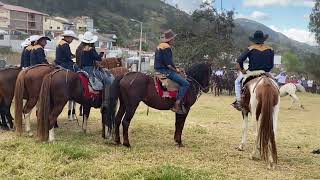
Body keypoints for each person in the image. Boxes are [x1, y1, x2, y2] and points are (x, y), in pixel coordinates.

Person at [232, 30, 275, 111]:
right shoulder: (270, 49)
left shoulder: (250, 48)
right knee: (275, 84)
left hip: (252, 72)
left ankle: (238, 101)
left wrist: (243, 70)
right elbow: (271, 64)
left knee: (237, 82)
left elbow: (239, 60)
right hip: (266, 72)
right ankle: (276, 99)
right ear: (263, 39)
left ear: (254, 40)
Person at [154, 29, 190, 114]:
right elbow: (169, 64)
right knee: (185, 83)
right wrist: (176, 70)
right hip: (165, 71)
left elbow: (167, 62)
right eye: (173, 39)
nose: (174, 40)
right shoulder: (167, 47)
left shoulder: (160, 46)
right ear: (170, 39)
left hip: (158, 69)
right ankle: (177, 104)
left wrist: (175, 67)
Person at [78, 31, 114, 107]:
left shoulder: (81, 48)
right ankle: (106, 101)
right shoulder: (91, 49)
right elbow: (98, 58)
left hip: (82, 68)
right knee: (107, 80)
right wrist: (102, 52)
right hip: (90, 69)